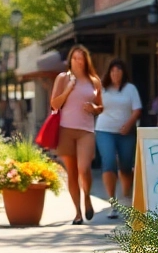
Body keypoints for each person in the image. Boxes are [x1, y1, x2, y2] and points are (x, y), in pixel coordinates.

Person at [49, 44, 103, 225]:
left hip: (86, 130)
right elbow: (55, 104)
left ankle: (87, 196)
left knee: (84, 168)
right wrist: (67, 90)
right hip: (65, 129)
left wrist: (94, 108)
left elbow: (100, 106)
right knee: (71, 172)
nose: (78, 61)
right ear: (70, 60)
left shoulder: (94, 81)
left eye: (81, 58)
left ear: (86, 60)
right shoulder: (63, 78)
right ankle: (78, 212)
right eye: (75, 58)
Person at [95, 59, 142, 220]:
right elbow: (96, 106)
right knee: (108, 162)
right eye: (113, 71)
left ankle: (125, 197)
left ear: (123, 73)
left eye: (119, 71)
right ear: (109, 73)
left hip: (125, 132)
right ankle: (113, 202)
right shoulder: (102, 89)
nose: (116, 74)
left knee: (126, 166)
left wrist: (129, 125)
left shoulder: (130, 89)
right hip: (104, 130)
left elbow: (137, 110)